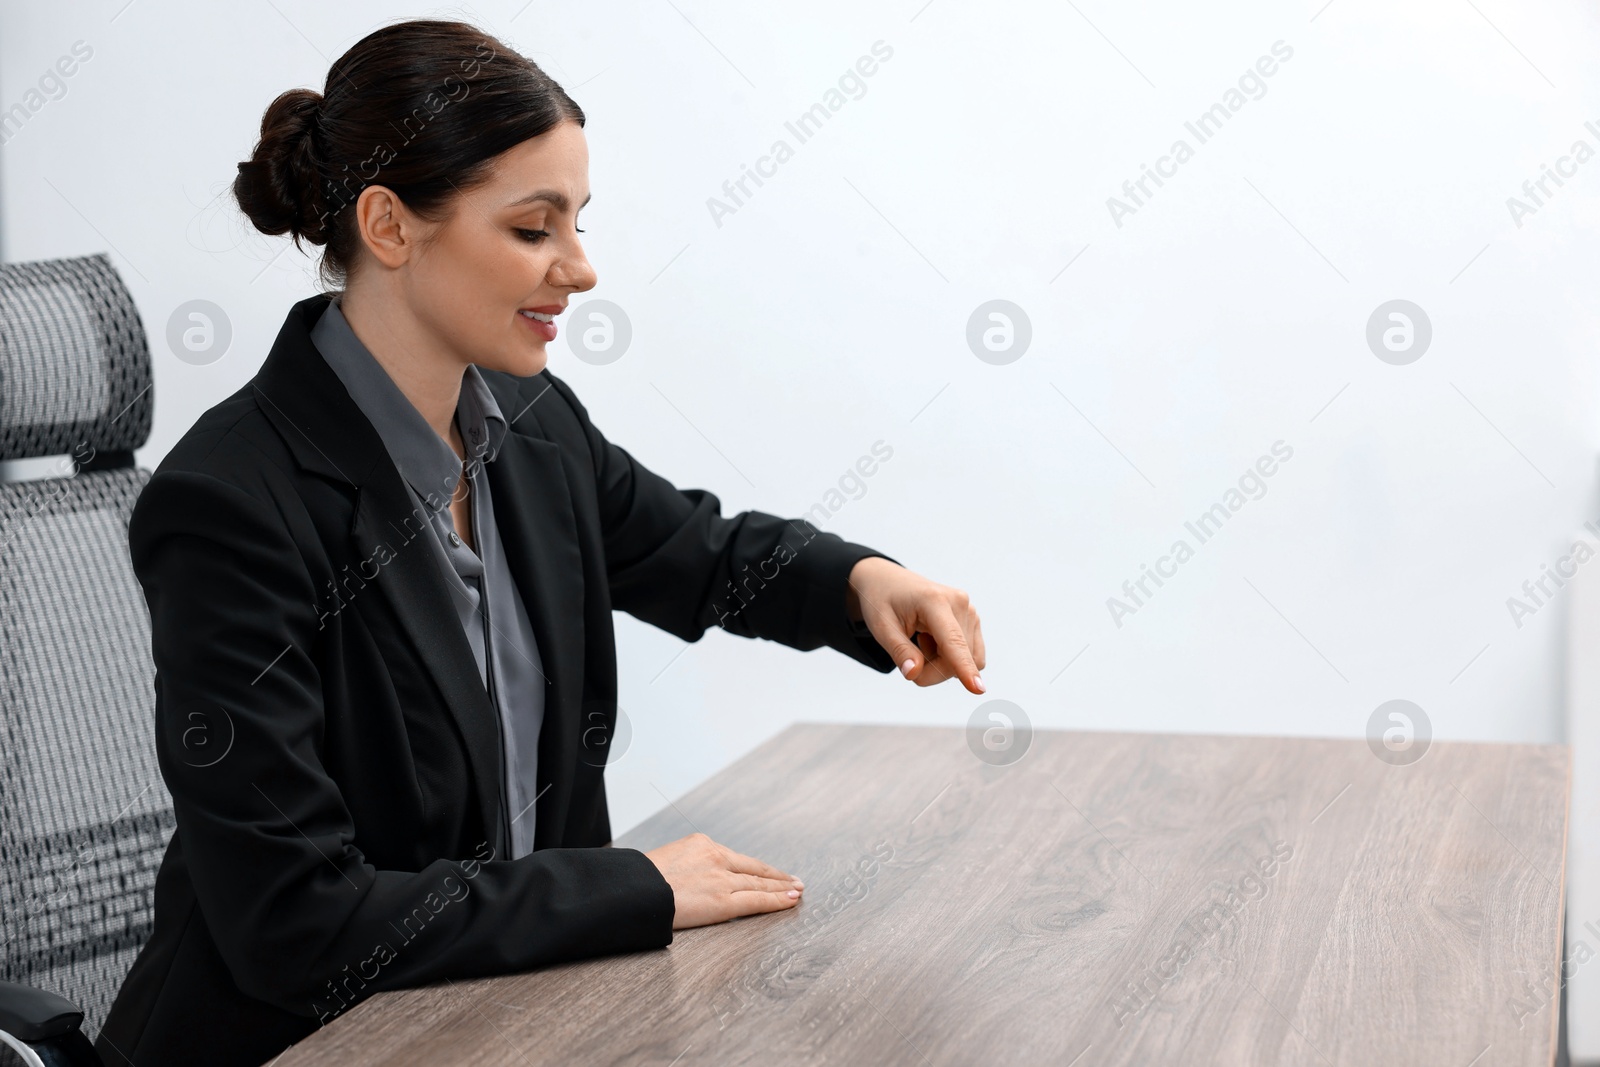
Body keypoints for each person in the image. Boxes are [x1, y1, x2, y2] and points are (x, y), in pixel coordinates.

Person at [95, 19, 985, 1066]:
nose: (581, 269)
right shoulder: (234, 500)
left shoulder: (528, 423)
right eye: (533, 229)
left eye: (579, 223)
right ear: (389, 224)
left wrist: (859, 581)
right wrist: (634, 885)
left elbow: (699, 555)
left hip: (501, 1022)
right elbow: (296, 922)